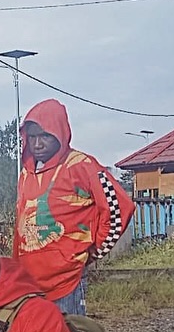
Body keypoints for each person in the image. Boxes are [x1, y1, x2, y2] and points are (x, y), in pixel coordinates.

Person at [13, 98, 135, 314]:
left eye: (45, 136)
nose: (37, 144)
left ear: (59, 134)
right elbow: (20, 224)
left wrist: (92, 252)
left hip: (66, 282)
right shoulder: (26, 173)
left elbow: (119, 208)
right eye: (32, 137)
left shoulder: (81, 165)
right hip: (29, 283)